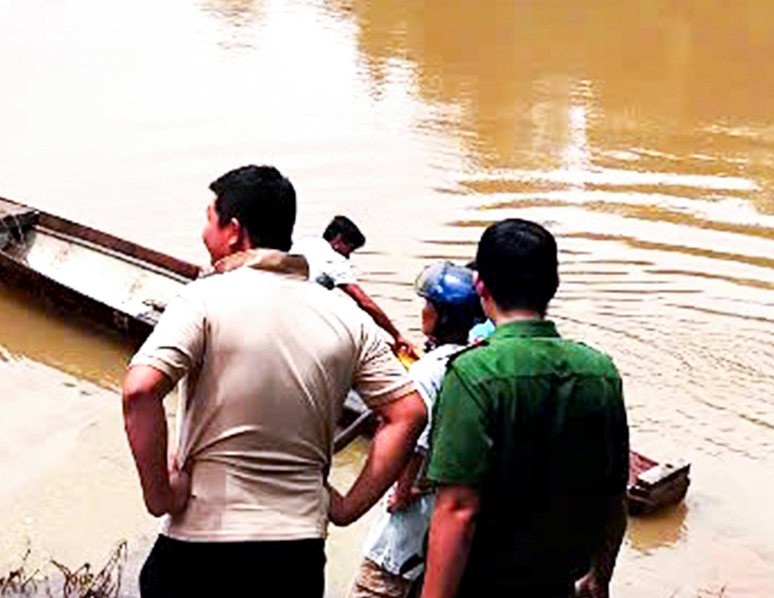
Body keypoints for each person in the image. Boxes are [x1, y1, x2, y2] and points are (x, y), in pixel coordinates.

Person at [123, 166, 427, 598]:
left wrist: (160, 496)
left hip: (200, 547)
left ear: (234, 231)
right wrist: (346, 506)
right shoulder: (345, 318)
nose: (203, 232)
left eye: (209, 219)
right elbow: (409, 412)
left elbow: (140, 390)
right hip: (295, 554)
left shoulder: (203, 299)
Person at [421, 220, 629, 598]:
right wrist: (600, 578)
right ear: (553, 285)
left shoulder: (474, 373)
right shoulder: (601, 373)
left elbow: (458, 510)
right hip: (560, 584)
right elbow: (614, 497)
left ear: (479, 285)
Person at [349, 262, 486, 598]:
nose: (423, 311)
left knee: (375, 585)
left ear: (442, 316)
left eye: (429, 305)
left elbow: (414, 441)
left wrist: (401, 489)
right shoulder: (472, 363)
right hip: (445, 523)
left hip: (406, 530)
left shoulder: (427, 372)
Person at [304, 215, 421, 360]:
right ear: (338, 241)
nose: (348, 257)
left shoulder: (305, 244)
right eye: (350, 250)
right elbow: (364, 302)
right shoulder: (333, 258)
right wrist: (396, 335)